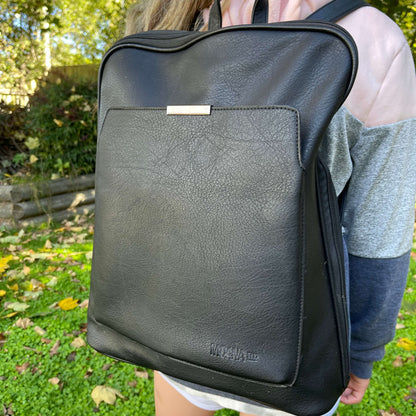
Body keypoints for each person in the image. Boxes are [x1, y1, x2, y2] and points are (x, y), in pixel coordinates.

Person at [125, 1, 416, 415]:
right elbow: (378, 235)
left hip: (172, 330)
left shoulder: (181, 23)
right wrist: (362, 349)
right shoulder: (374, 40)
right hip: (291, 357)